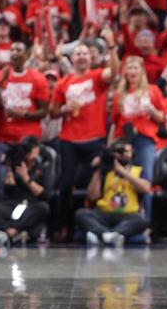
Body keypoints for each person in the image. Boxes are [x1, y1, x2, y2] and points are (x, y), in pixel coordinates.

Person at [49, 30, 119, 239]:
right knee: (65, 185)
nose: (81, 56)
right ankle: (63, 227)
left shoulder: (97, 77)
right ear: (71, 59)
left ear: (90, 58)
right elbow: (52, 111)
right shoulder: (64, 83)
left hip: (94, 138)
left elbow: (113, 72)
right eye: (77, 53)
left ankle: (94, 227)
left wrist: (112, 45)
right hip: (69, 139)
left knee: (97, 184)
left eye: (85, 53)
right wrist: (64, 110)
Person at [0, 137, 51, 246]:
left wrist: (26, 178)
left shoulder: (41, 167)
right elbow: (8, 191)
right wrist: (9, 170)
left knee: (43, 208)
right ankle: (11, 231)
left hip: (29, 206)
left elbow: (44, 195)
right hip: (11, 205)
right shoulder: (15, 164)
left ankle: (11, 231)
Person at [75, 139, 150, 246]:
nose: (123, 154)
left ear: (133, 153)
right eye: (119, 151)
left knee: (142, 220)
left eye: (127, 151)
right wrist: (98, 170)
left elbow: (145, 188)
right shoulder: (105, 171)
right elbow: (92, 196)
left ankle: (102, 235)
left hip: (128, 214)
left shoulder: (138, 170)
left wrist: (122, 171)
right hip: (104, 213)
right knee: (81, 214)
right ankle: (108, 235)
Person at [0, 40, 49, 148]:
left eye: (18, 50)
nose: (14, 52)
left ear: (26, 55)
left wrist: (23, 114)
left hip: (29, 137)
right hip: (5, 137)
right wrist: (0, 83)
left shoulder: (38, 78)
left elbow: (44, 112)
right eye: (12, 50)